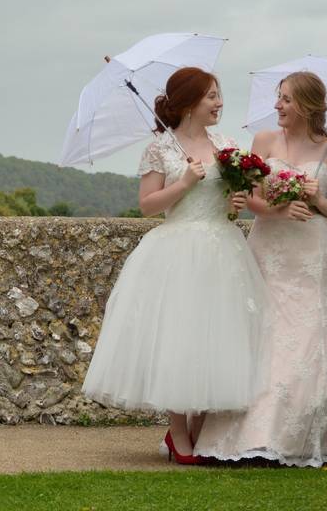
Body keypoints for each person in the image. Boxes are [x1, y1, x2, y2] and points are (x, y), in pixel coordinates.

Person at [81, 66, 270, 465]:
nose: (220, 103)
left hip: (223, 248)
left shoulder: (226, 144)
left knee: (214, 336)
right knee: (178, 337)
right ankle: (179, 433)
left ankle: (199, 429)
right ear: (187, 103)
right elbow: (148, 206)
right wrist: (183, 182)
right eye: (212, 96)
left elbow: (233, 200)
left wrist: (235, 204)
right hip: (177, 249)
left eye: (219, 95)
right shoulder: (158, 149)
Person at [195, 71, 327, 466]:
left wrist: (317, 199)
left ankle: (293, 436)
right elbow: (250, 199)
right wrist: (279, 207)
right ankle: (250, 433)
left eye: (286, 99)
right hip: (268, 246)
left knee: (306, 333)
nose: (278, 106)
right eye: (278, 98)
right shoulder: (265, 142)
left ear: (306, 105)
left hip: (309, 252)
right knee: (263, 330)